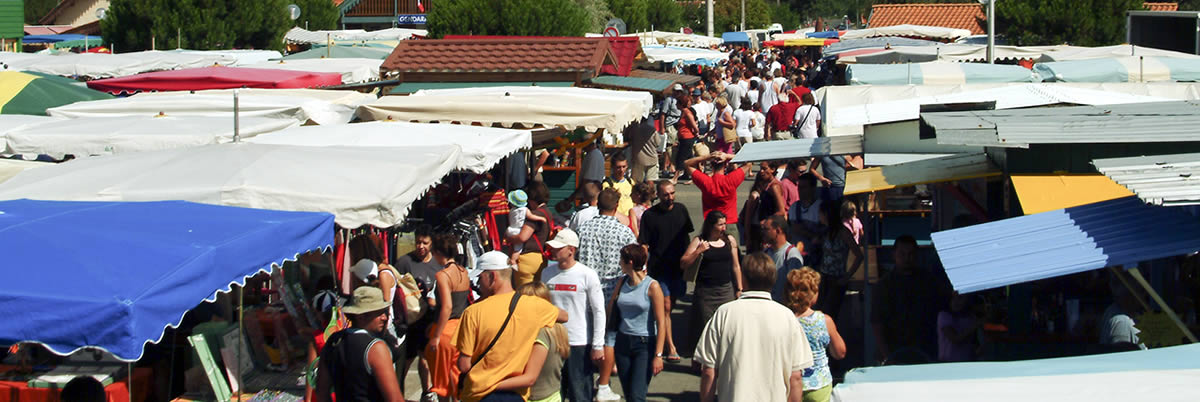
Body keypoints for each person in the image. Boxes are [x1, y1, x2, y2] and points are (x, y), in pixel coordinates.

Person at [694, 253, 813, 402]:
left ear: (743, 279)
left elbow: (709, 371)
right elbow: (795, 377)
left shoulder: (724, 313)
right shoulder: (787, 317)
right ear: (773, 280)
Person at [456, 251, 569, 402]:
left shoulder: (472, 312)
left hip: (479, 393)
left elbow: (464, 365)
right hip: (516, 394)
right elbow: (564, 316)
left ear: (492, 277)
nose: (478, 284)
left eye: (480, 277)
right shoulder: (533, 306)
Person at [576, 188, 637, 401]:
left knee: (585, 335)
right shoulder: (624, 232)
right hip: (612, 291)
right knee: (607, 338)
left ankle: (583, 381)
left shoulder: (582, 229)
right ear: (616, 205)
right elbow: (634, 260)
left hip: (584, 291)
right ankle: (603, 385)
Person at [539, 229, 606, 402]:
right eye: (553, 247)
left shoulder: (587, 274)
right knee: (554, 392)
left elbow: (599, 310)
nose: (554, 251)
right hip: (553, 342)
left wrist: (598, 345)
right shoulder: (547, 273)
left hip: (579, 342)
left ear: (571, 250)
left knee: (580, 393)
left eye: (558, 248)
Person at [315, 286, 405, 402]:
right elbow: (395, 400)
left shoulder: (334, 340)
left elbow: (321, 391)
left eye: (384, 312)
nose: (384, 317)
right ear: (361, 316)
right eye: (378, 313)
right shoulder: (376, 348)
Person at [637, 180, 694, 362]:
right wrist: (642, 267)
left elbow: (687, 237)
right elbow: (644, 244)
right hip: (659, 268)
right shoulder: (650, 216)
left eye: (672, 193)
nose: (670, 198)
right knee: (666, 306)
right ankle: (671, 347)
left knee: (672, 303)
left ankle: (661, 334)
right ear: (658, 196)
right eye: (666, 195)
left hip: (678, 268)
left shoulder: (681, 210)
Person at [607, 245, 667, 402]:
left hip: (644, 344)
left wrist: (658, 355)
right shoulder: (622, 282)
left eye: (621, 260)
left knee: (637, 396)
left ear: (630, 262)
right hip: (622, 342)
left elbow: (661, 323)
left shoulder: (652, 286)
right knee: (629, 394)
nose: (619, 263)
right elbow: (611, 310)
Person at [494, 282, 571, 402]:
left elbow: (529, 378)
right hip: (553, 395)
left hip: (537, 398)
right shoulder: (558, 329)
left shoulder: (541, 333)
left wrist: (490, 384)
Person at [870, 235, 941, 364]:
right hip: (893, 348)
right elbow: (876, 322)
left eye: (911, 254)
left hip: (924, 348)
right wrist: (887, 356)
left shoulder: (928, 281)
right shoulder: (884, 285)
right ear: (894, 254)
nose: (907, 258)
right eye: (902, 254)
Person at [680, 211, 743, 353]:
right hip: (706, 292)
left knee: (726, 326)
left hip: (726, 290)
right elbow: (684, 263)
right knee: (705, 327)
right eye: (720, 225)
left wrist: (739, 288)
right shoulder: (700, 241)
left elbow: (736, 265)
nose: (723, 228)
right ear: (711, 225)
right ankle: (705, 359)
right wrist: (698, 251)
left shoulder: (730, 240)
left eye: (724, 224)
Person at [394, 225, 441, 401]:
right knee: (406, 358)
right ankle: (397, 391)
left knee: (425, 357)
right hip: (411, 319)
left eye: (425, 243)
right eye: (418, 242)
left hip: (429, 318)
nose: (420, 246)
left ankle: (427, 391)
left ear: (432, 244)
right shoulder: (405, 262)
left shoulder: (437, 263)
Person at [786, 268, 846, 402]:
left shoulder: (783, 320)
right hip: (819, 385)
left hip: (790, 386)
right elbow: (840, 352)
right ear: (813, 295)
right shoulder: (824, 320)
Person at [426, 233, 473, 401]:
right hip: (462, 328)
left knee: (442, 384)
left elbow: (446, 307)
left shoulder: (443, 275)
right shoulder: (463, 272)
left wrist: (436, 336)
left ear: (438, 252)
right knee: (456, 377)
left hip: (445, 331)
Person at [684, 151, 750, 248]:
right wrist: (727, 156)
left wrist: (707, 157)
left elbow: (687, 164)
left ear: (711, 165)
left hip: (711, 224)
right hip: (729, 222)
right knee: (732, 254)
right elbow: (748, 162)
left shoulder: (706, 181)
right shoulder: (731, 179)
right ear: (725, 165)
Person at [815, 202, 863, 324]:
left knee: (830, 314)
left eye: (821, 213)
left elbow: (859, 255)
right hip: (824, 276)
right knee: (820, 311)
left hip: (836, 278)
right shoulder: (826, 232)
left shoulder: (843, 232)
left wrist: (847, 276)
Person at [511, 182, 554, 287]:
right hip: (541, 259)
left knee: (524, 295)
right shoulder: (548, 213)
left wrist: (509, 238)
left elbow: (523, 237)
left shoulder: (535, 214)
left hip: (527, 258)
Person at [763, 215, 804, 304]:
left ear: (778, 230)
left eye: (766, 229)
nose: (763, 232)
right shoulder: (766, 252)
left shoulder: (791, 254)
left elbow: (795, 285)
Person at [787, 173, 825, 255]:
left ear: (813, 188)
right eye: (799, 187)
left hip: (815, 255)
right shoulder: (794, 207)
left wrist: (805, 233)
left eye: (804, 187)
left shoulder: (821, 208)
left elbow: (824, 237)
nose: (800, 190)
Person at [937, 292, 980, 362]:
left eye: (960, 298)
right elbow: (955, 338)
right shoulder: (944, 316)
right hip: (947, 363)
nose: (956, 301)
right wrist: (976, 324)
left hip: (967, 362)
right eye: (954, 298)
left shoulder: (971, 317)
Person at [506, 190, 548, 254]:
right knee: (518, 249)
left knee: (512, 247)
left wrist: (508, 239)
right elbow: (531, 216)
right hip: (518, 231)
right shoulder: (524, 210)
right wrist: (541, 218)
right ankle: (513, 260)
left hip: (510, 229)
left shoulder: (511, 210)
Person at [627, 118, 661, 184]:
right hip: (652, 158)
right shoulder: (652, 129)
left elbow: (629, 139)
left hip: (639, 158)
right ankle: (651, 193)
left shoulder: (634, 130)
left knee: (637, 181)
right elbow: (658, 143)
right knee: (650, 180)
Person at [602, 153, 636, 218]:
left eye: (624, 167)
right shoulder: (608, 184)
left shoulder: (630, 182)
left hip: (630, 217)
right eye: (618, 167)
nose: (621, 170)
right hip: (617, 217)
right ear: (613, 167)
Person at [675, 94, 699, 184]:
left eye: (677, 103)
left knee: (681, 158)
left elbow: (694, 124)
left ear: (681, 104)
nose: (676, 105)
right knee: (690, 159)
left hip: (687, 137)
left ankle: (675, 177)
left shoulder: (687, 112)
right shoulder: (683, 112)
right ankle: (693, 177)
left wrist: (696, 132)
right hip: (683, 137)